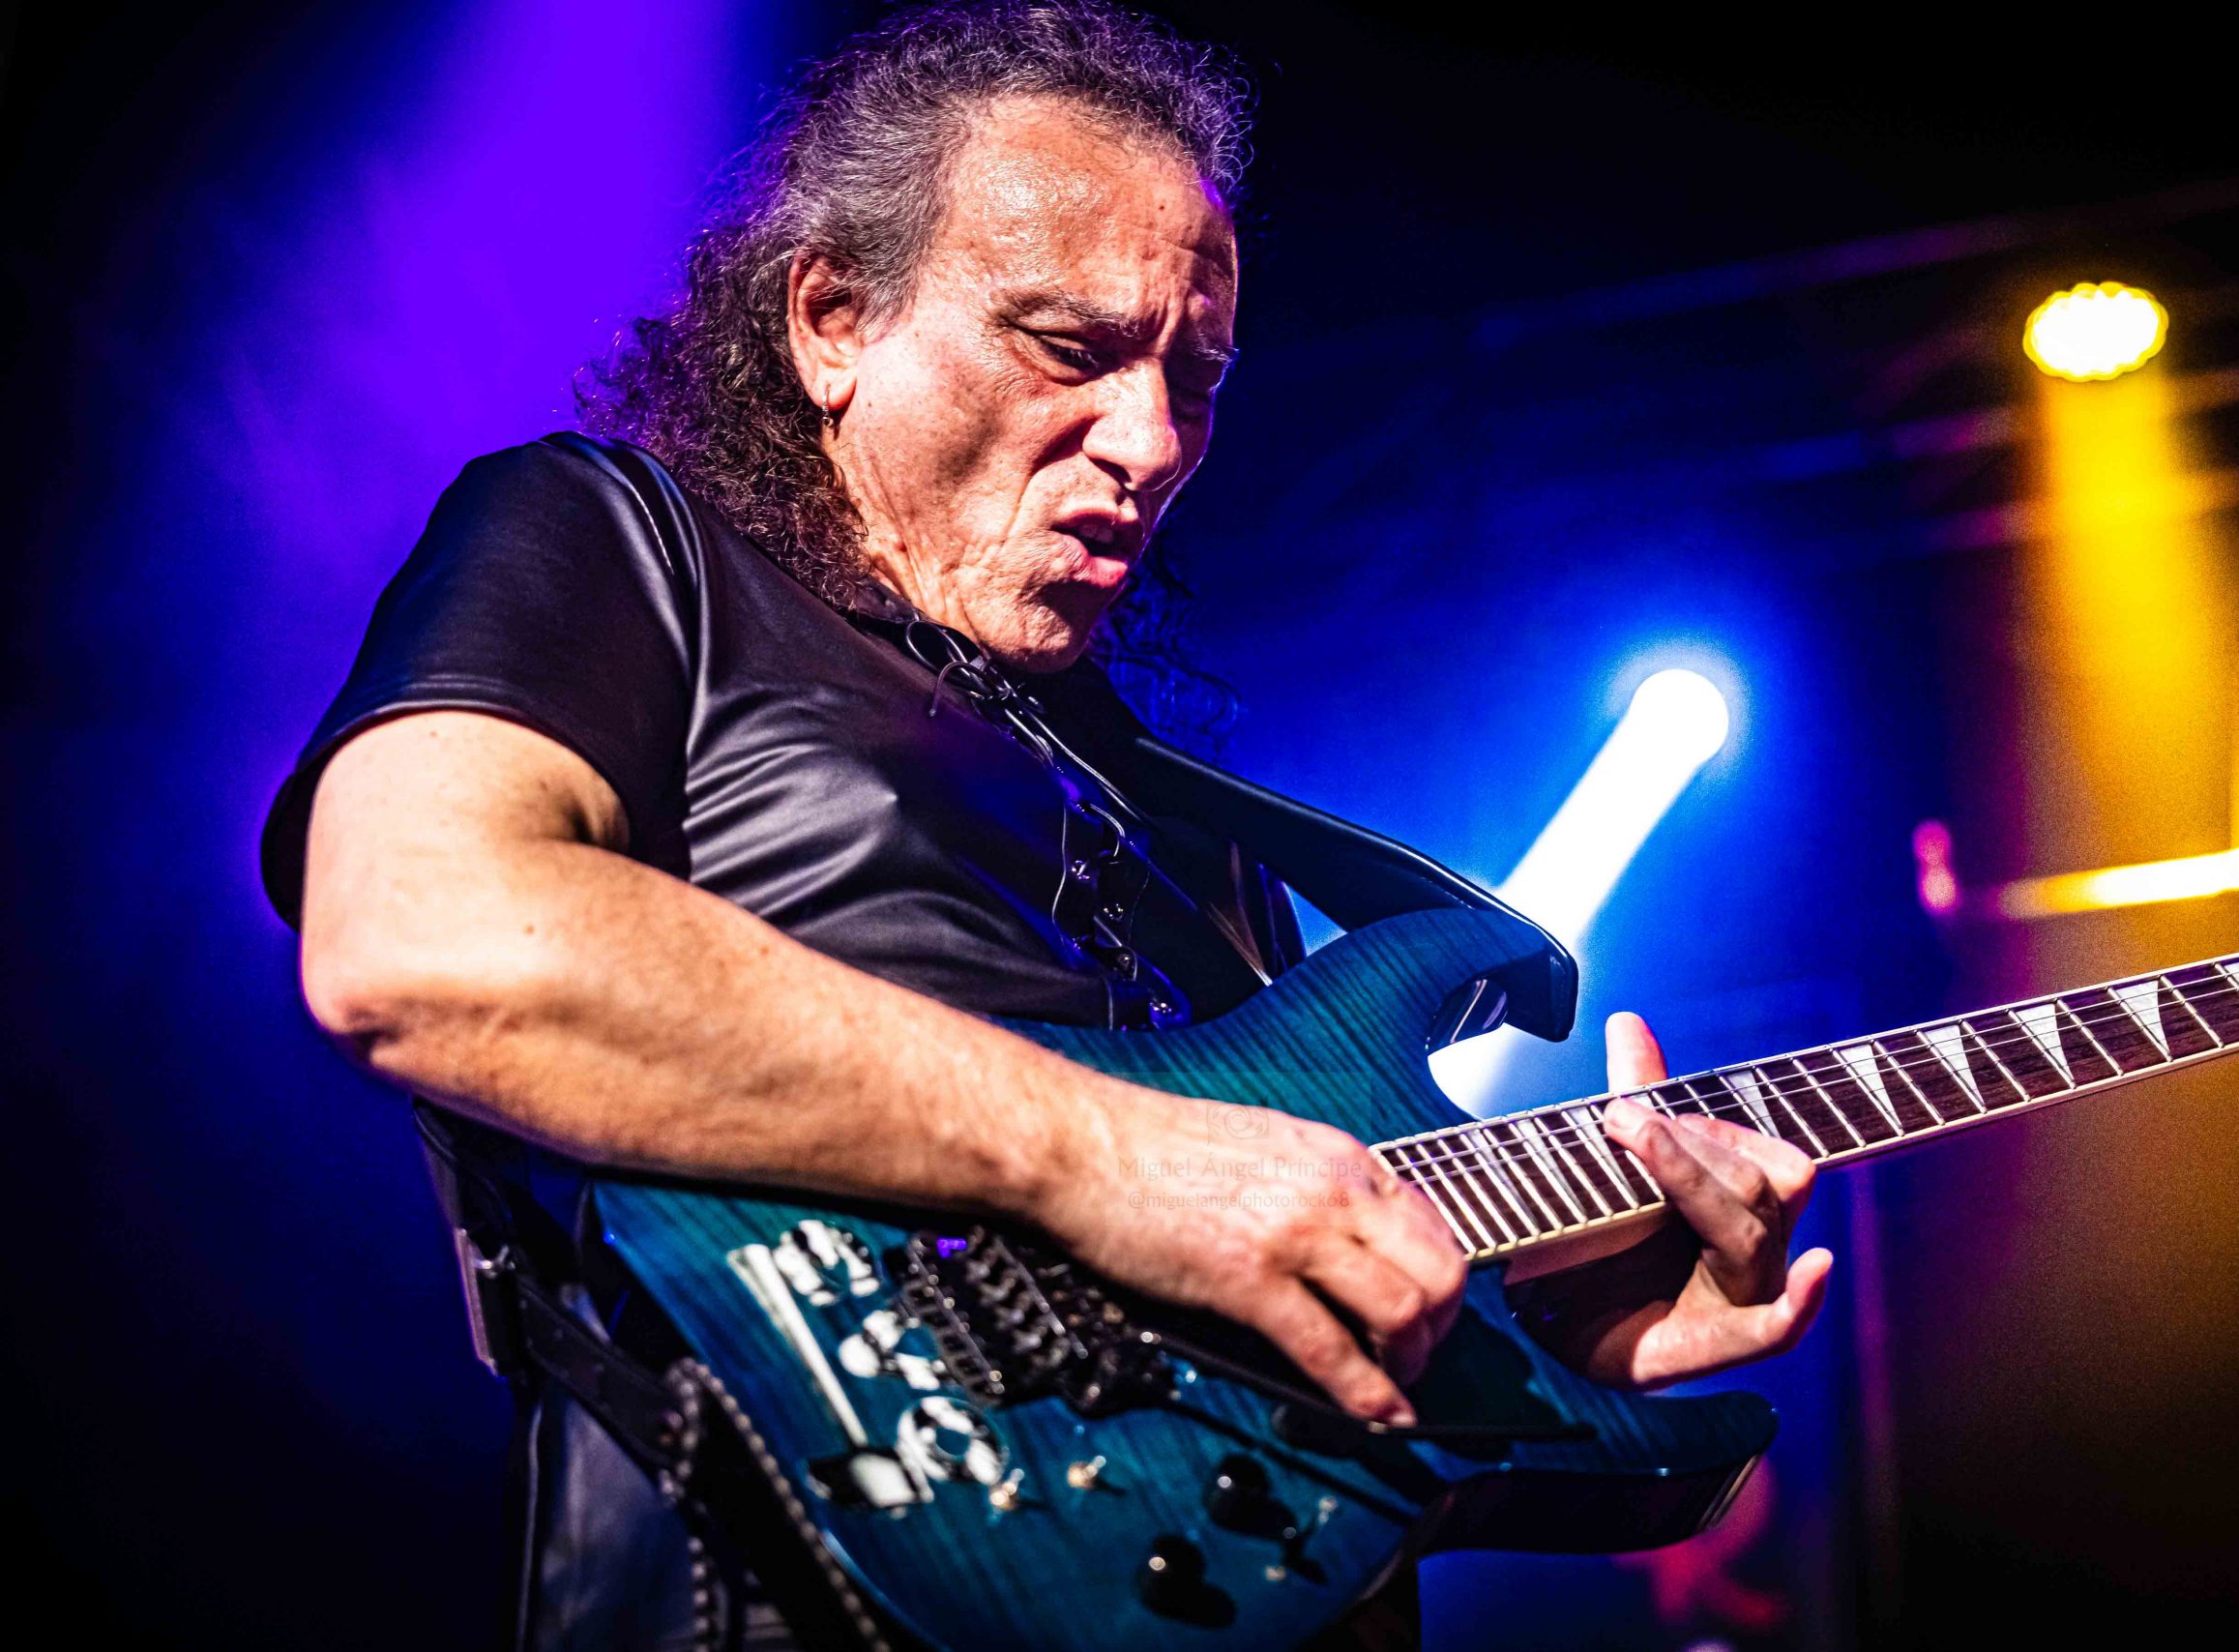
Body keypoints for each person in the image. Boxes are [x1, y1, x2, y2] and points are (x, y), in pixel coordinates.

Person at [261, 4, 1831, 1644]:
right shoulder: (621, 544)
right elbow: (419, 930)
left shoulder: (1187, 831)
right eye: (1071, 350)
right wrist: (1107, 1152)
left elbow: (1218, 1301)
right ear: (832, 321)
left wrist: (1558, 1336)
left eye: (1195, 380)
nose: (1153, 444)